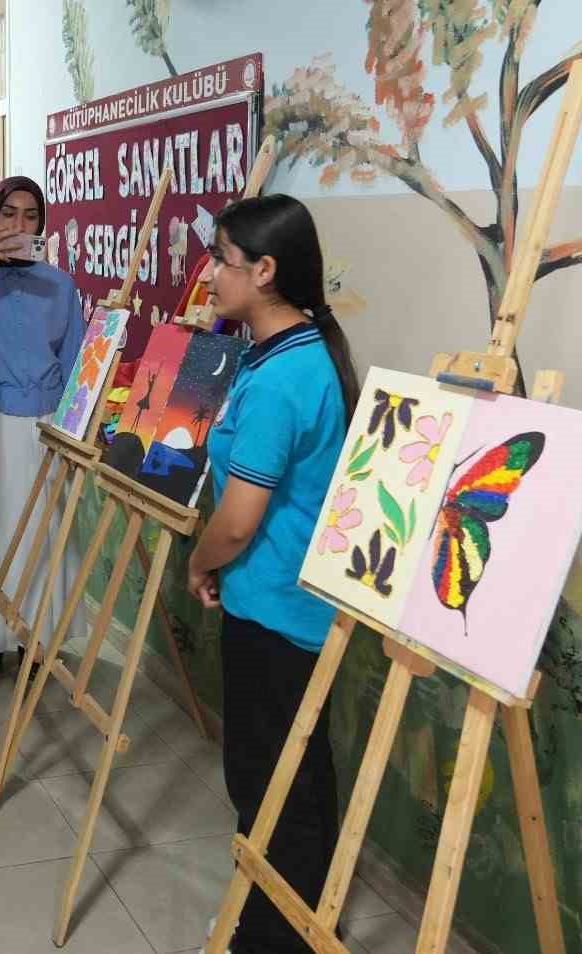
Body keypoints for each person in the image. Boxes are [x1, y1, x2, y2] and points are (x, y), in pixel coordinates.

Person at [184, 195, 356, 954]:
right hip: (273, 599)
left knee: (277, 784)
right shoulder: (279, 351)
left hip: (282, 612)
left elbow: (239, 520)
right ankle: (293, 916)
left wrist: (199, 557)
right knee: (285, 775)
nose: (209, 272)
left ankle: (276, 934)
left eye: (221, 258)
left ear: (265, 269)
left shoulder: (287, 377)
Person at [0, 176, 87, 683]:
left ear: (43, 223)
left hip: (42, 428)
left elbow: (75, 364)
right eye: (10, 213)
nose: (20, 225)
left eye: (31, 215)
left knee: (40, 535)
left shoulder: (60, 284)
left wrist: (71, 431)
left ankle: (34, 638)